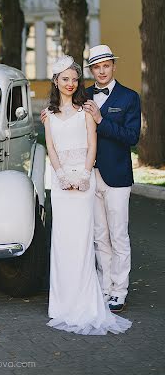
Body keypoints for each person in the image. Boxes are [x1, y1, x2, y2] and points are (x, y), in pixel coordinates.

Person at [44, 55, 132, 335]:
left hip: (89, 179)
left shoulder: (91, 109)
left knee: (99, 237)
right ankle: (64, 301)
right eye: (64, 79)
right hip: (61, 183)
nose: (70, 84)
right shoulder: (49, 114)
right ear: (56, 81)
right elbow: (52, 149)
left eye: (74, 79)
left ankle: (110, 292)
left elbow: (95, 145)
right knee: (70, 240)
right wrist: (61, 176)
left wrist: (82, 176)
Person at [83, 44, 141, 313]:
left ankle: (119, 291)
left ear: (113, 66)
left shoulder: (129, 97)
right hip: (90, 176)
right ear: (92, 70)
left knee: (118, 235)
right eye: (97, 66)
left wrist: (100, 118)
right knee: (99, 236)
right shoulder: (83, 95)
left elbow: (131, 137)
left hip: (117, 176)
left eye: (106, 65)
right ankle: (104, 287)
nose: (102, 70)